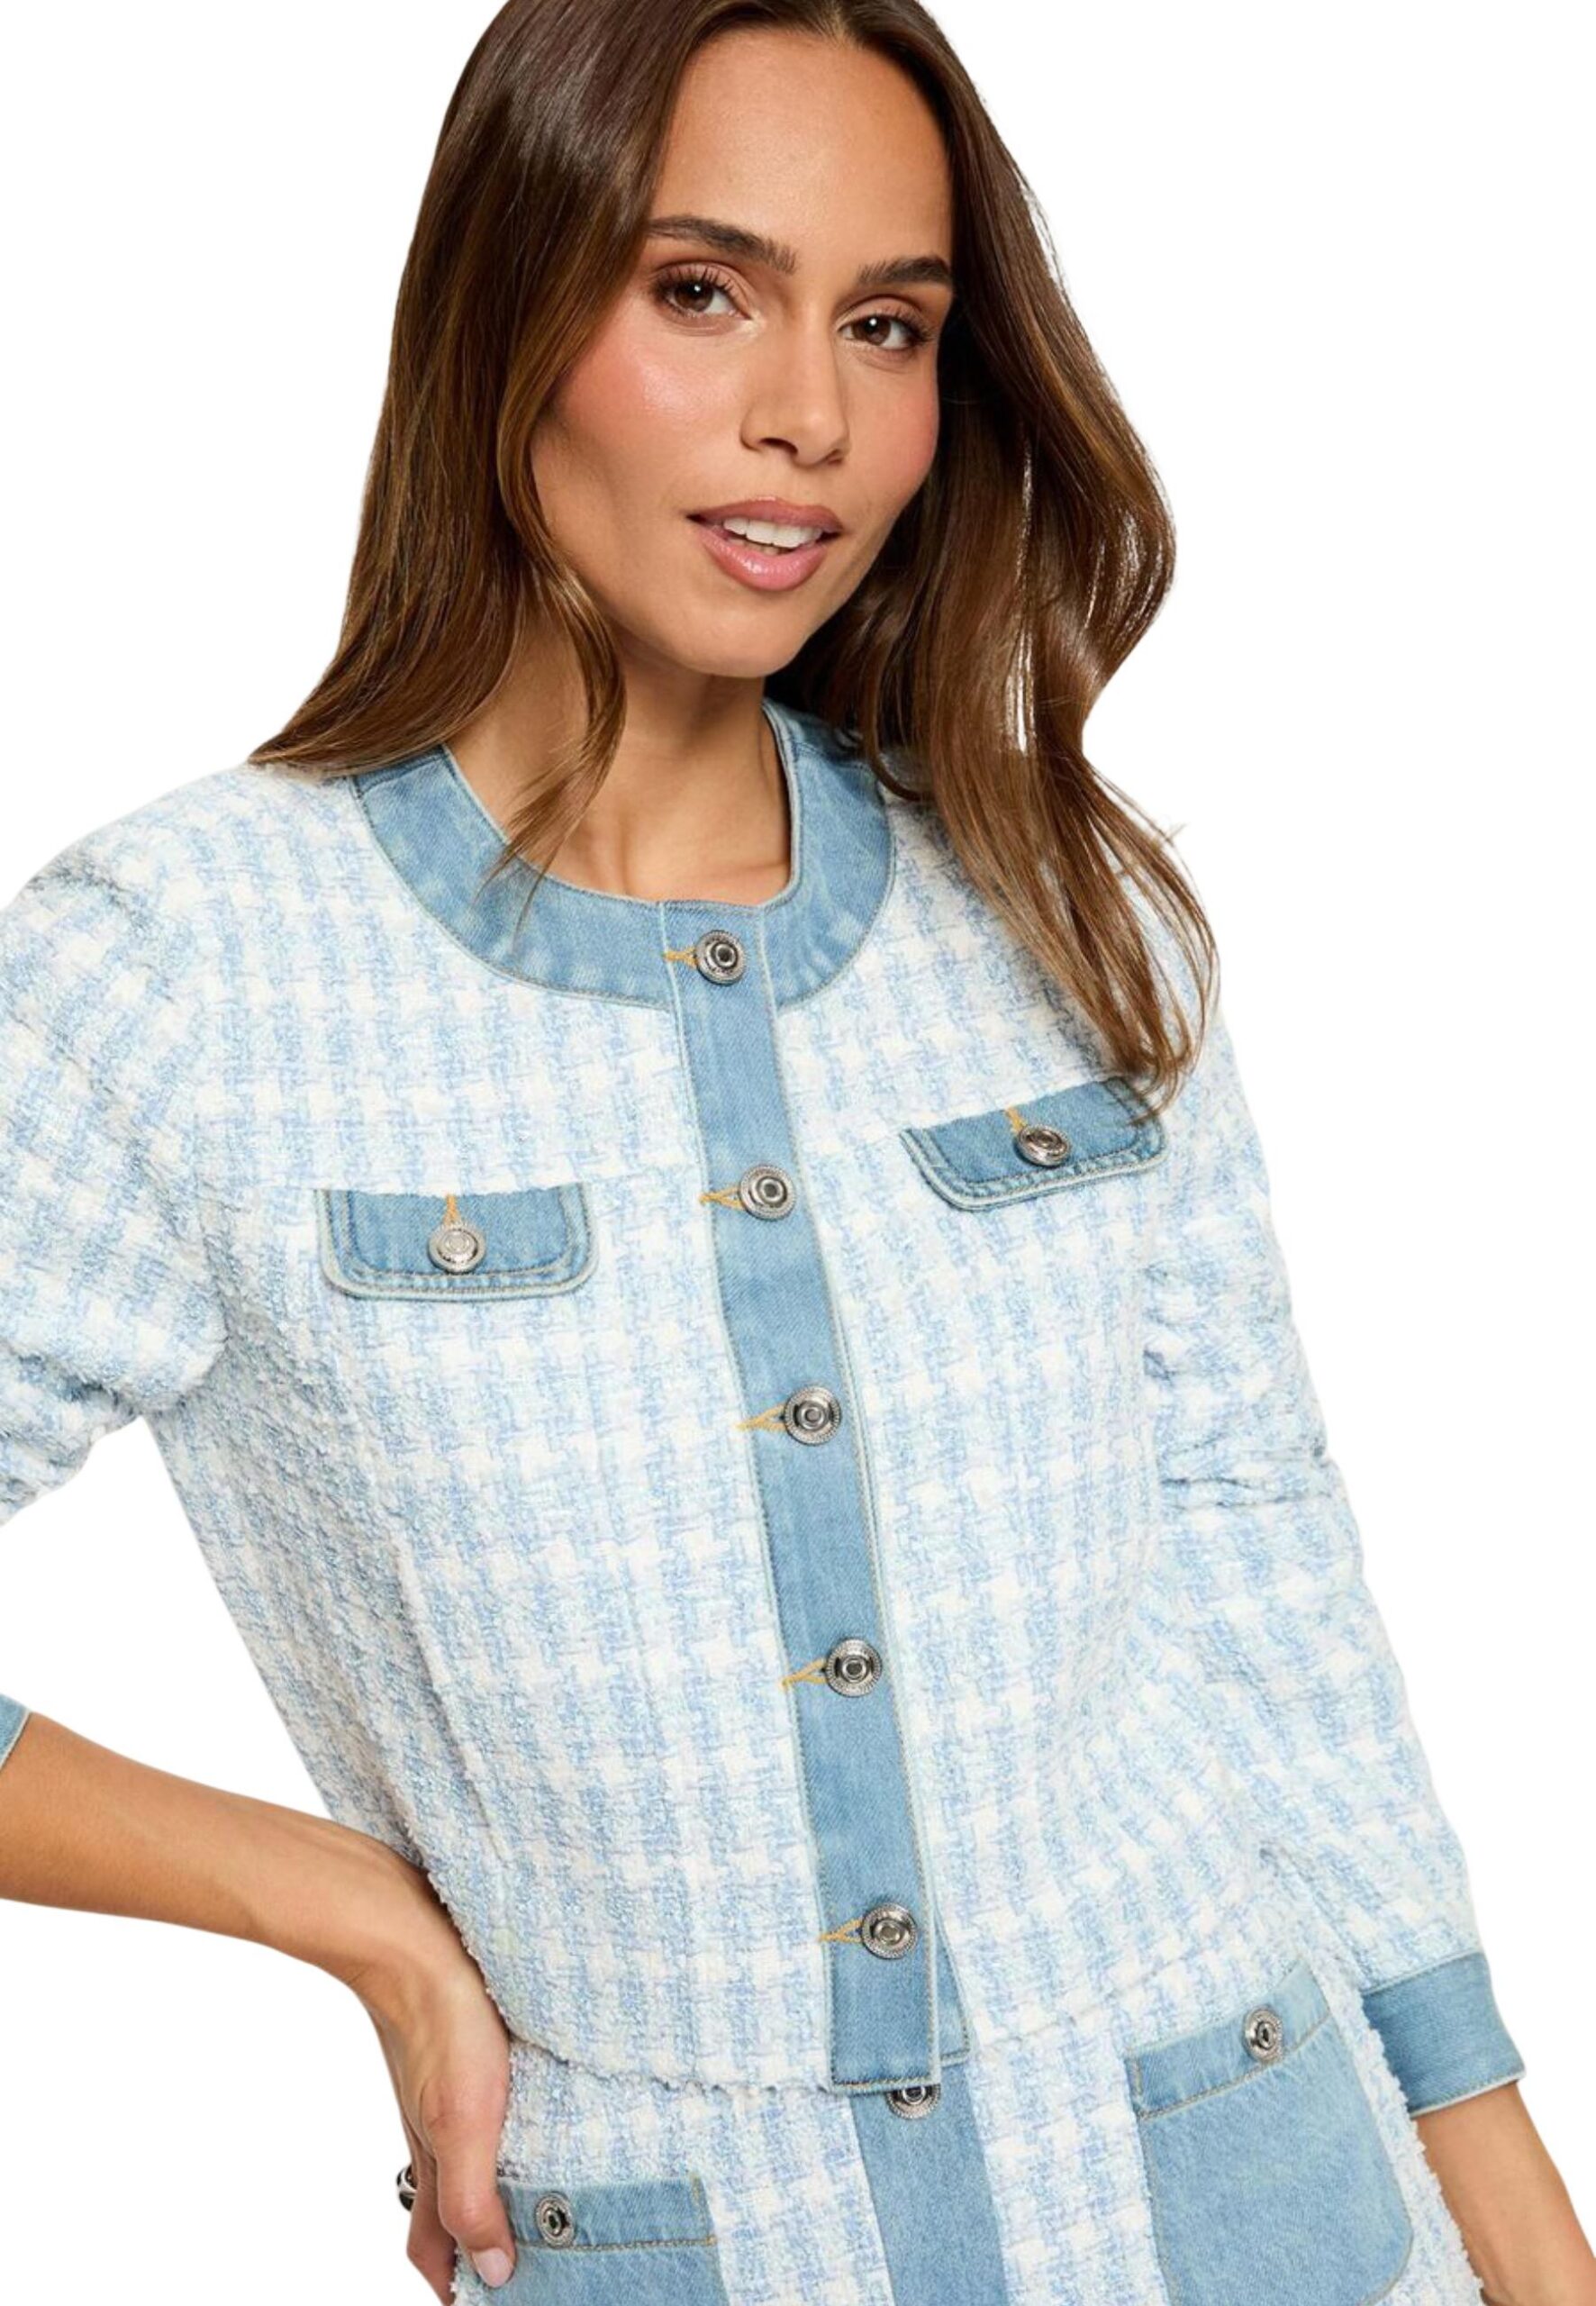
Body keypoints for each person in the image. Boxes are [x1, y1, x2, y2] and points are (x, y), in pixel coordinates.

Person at [1, 3, 1591, 2301]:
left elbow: (1259, 1555)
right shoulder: (187, 973)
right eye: (700, 290)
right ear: (503, 306)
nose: (812, 421)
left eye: (887, 325)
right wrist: (349, 1907)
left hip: (1274, 2203)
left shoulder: (1064, 903)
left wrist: (1516, 2206)